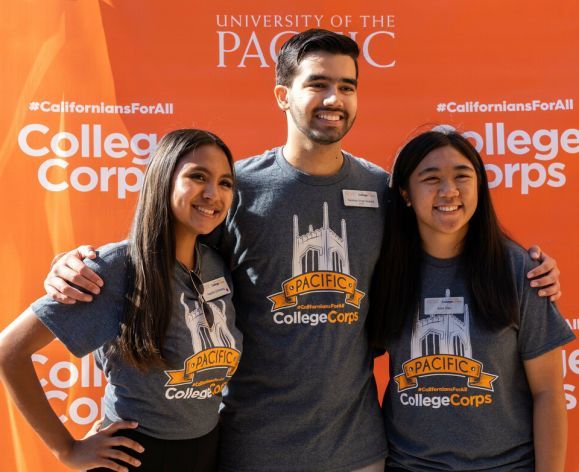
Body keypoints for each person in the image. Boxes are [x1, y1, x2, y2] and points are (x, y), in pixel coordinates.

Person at [42, 30, 562, 471]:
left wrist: (530, 270)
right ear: (282, 95)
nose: (334, 99)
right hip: (249, 450)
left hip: (358, 450)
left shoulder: (385, 193)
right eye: (317, 84)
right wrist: (72, 265)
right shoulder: (233, 189)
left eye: (347, 86)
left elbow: (451, 235)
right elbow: (160, 247)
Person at [0, 129, 243, 472]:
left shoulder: (217, 264)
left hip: (205, 454)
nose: (212, 193)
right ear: (163, 180)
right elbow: (9, 351)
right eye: (197, 177)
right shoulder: (116, 268)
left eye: (225, 183)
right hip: (133, 458)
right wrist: (66, 449)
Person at [369, 130, 574, 471]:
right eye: (431, 178)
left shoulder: (519, 270)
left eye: (462, 176)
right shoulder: (383, 272)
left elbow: (549, 393)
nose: (449, 191)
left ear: (479, 185)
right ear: (405, 193)